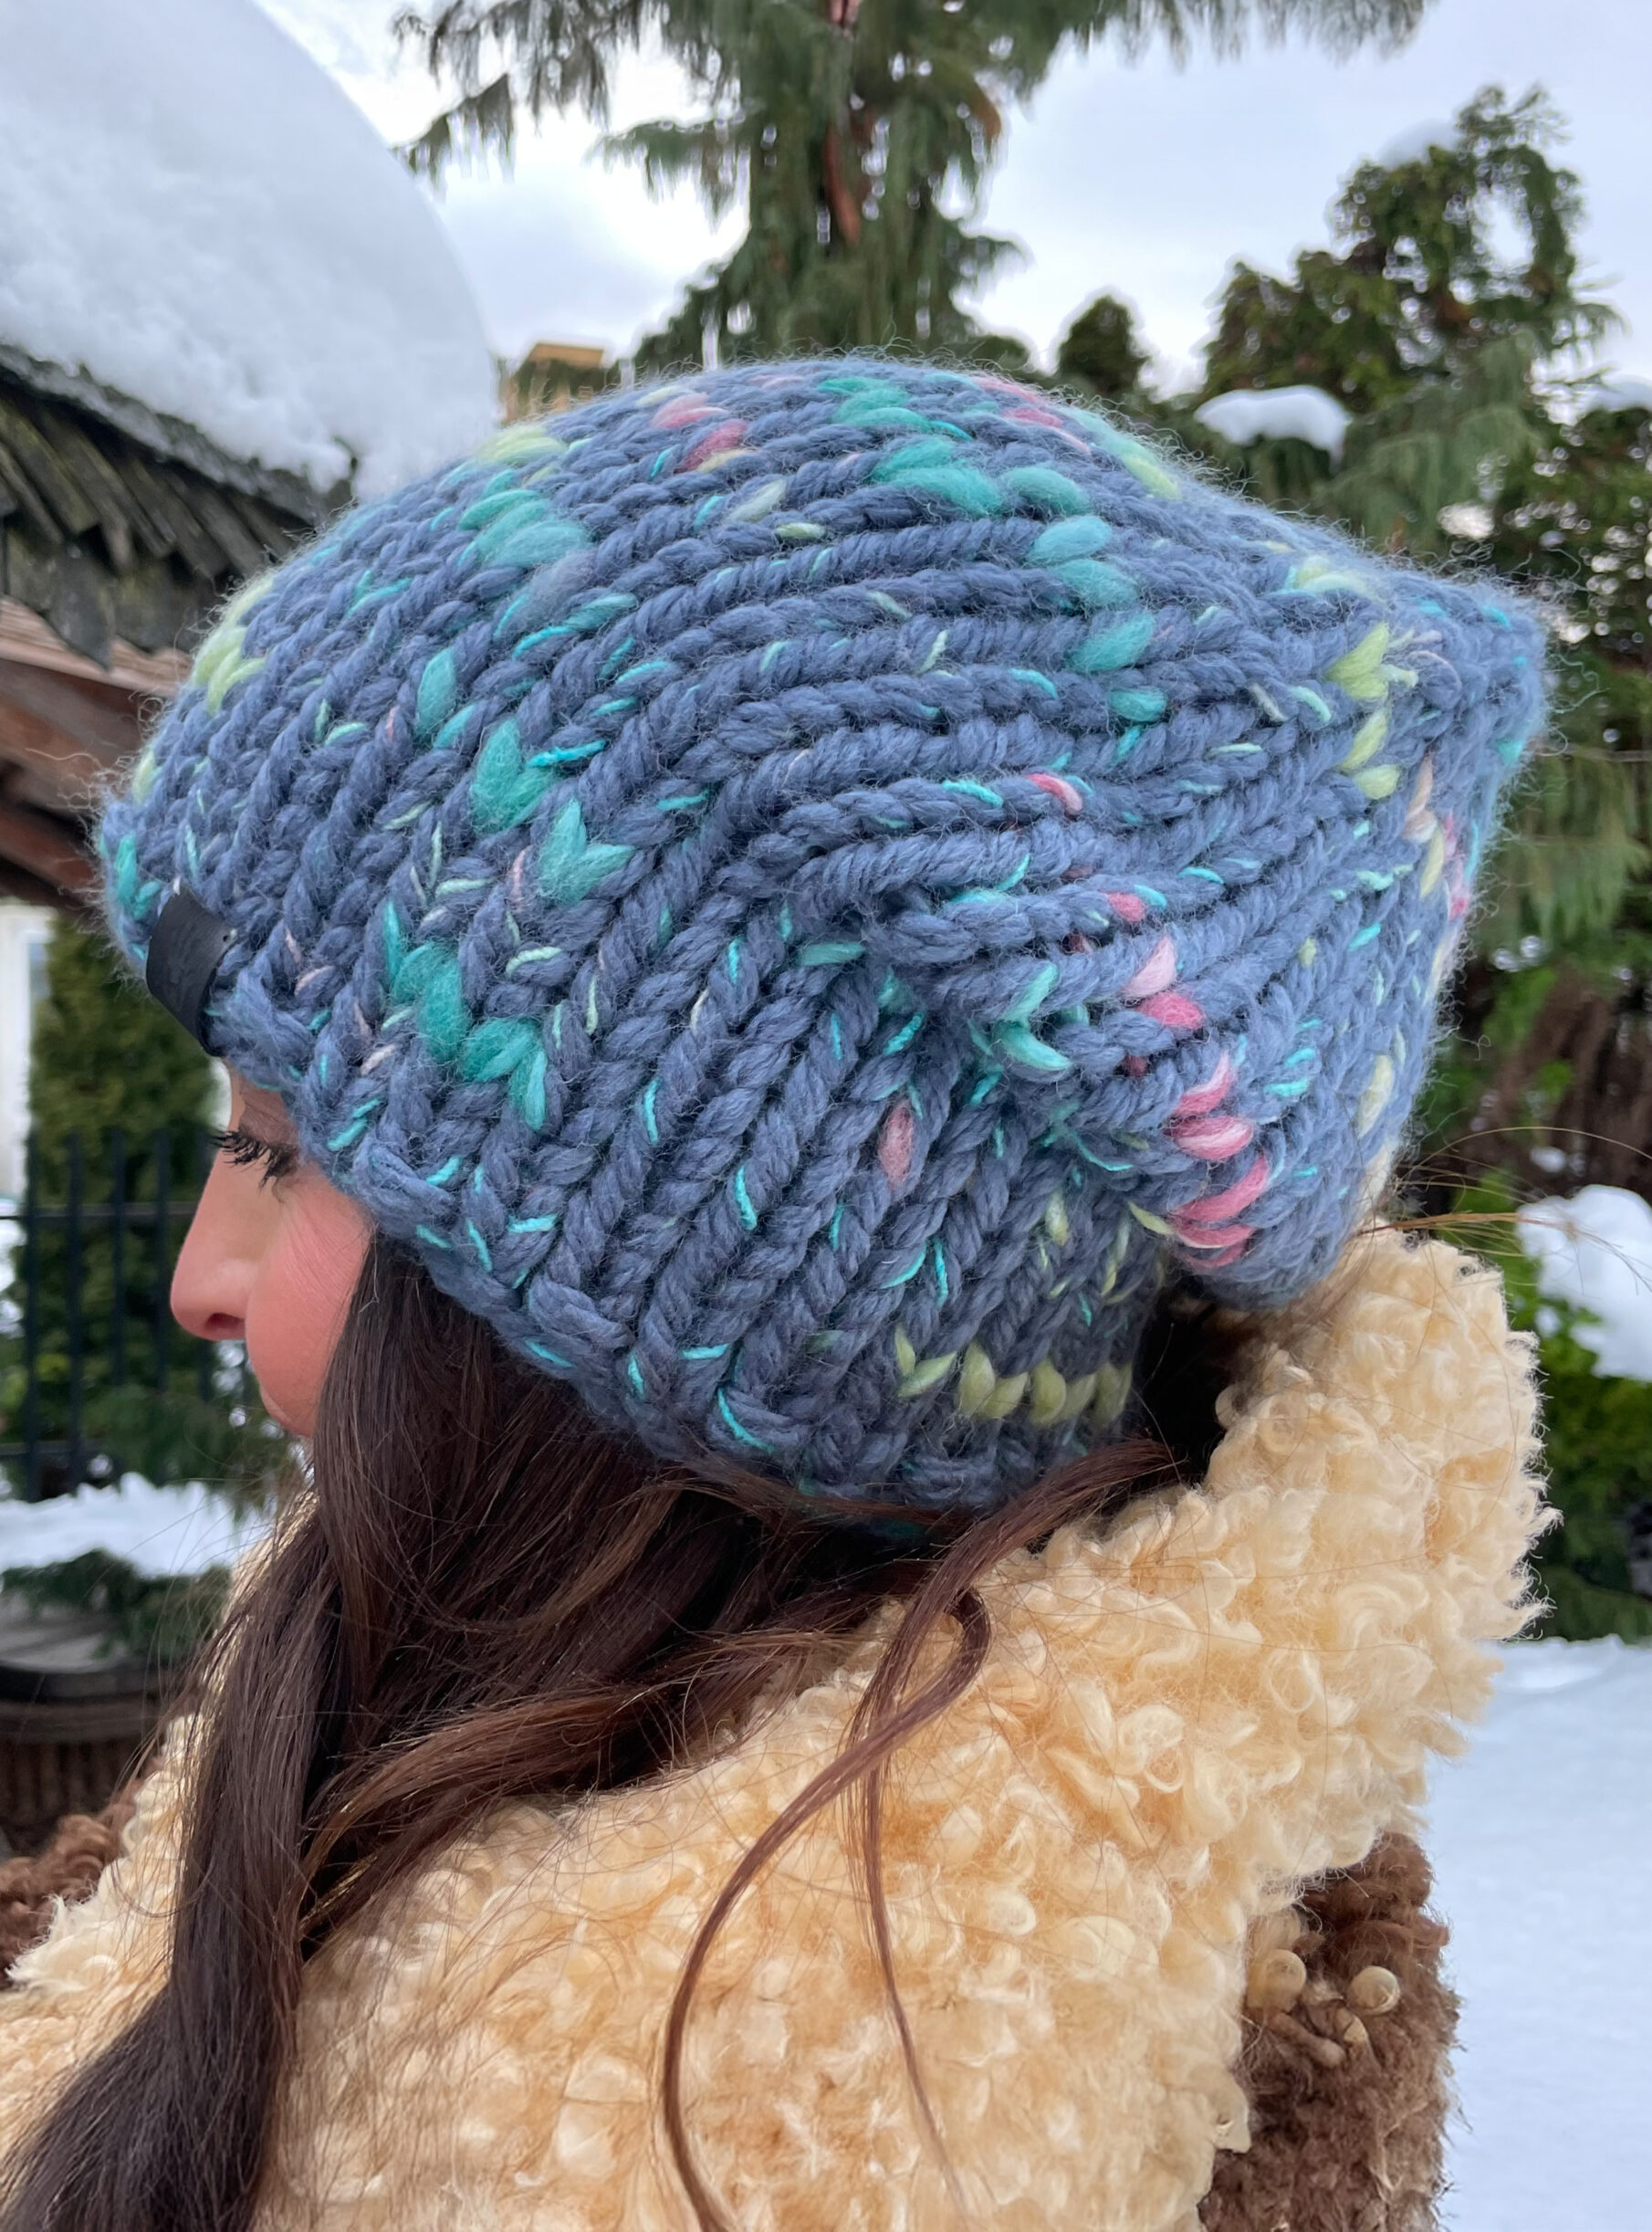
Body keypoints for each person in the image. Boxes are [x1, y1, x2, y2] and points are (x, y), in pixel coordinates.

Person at [0, 362, 1545, 2232]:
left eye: (281, 1148)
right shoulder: (390, 1715)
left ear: (718, 1292)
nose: (197, 1275)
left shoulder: (781, 2144)